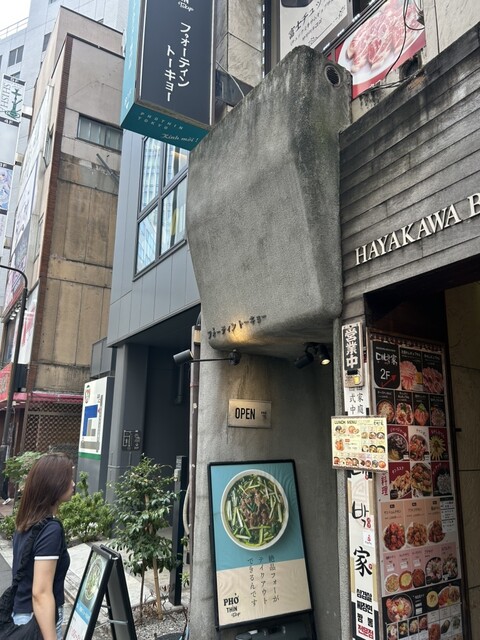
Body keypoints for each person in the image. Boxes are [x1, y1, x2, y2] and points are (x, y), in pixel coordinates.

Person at [11, 453, 75, 640]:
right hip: (37, 620)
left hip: (21, 614)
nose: (73, 484)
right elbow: (41, 593)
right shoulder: (50, 530)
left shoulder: (27, 521)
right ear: (54, 484)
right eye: (68, 479)